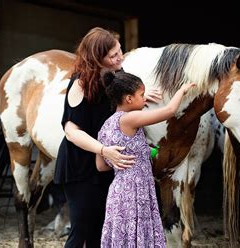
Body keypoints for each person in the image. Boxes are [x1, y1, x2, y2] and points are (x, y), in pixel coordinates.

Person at [53, 27, 161, 248]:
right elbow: (72, 131)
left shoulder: (117, 76)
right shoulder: (81, 84)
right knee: (81, 230)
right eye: (113, 55)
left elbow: (122, 102)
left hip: (107, 164)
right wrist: (103, 149)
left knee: (101, 232)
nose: (120, 57)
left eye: (120, 51)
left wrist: (139, 98)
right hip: (81, 165)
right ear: (97, 58)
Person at [95, 70, 196, 247]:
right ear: (129, 99)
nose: (145, 99)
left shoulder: (105, 126)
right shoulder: (130, 118)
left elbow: (101, 166)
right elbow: (170, 111)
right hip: (136, 190)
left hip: (118, 191)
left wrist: (144, 154)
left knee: (123, 238)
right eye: (142, 95)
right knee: (139, 236)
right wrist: (182, 90)